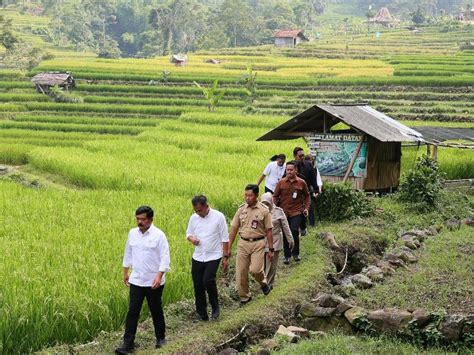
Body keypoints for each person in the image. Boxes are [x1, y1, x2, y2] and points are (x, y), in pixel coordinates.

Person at [116, 206, 170, 354]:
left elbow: (165, 257)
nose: (140, 222)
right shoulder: (132, 233)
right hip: (137, 279)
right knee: (133, 311)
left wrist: (159, 276)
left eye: (143, 219)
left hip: (153, 281)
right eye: (138, 219)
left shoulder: (159, 235)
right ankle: (128, 344)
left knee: (155, 310)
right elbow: (128, 252)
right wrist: (126, 271)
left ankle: (161, 339)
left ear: (150, 219)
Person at [228, 184, 274, 305]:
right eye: (246, 195)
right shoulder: (241, 209)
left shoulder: (264, 210)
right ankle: (245, 297)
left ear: (256, 196)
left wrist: (271, 249)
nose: (247, 198)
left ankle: (263, 283)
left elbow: (269, 230)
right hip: (243, 243)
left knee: (255, 270)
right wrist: (228, 248)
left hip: (258, 243)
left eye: (250, 195)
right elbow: (233, 229)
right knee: (241, 272)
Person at [186, 195, 229, 321]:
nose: (198, 213)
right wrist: (192, 239)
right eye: (195, 210)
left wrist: (225, 257)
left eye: (200, 210)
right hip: (198, 255)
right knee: (198, 284)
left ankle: (215, 308)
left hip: (214, 255)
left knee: (208, 280)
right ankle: (202, 313)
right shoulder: (194, 218)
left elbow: (225, 238)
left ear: (206, 206)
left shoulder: (218, 217)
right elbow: (188, 233)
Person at [273, 161, 310, 264]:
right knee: (285, 232)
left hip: (296, 211)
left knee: (294, 230)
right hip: (283, 212)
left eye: (291, 170)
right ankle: (287, 256)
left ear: (295, 170)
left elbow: (307, 196)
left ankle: (296, 253)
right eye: (287, 170)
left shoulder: (301, 182)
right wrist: (274, 207)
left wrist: (306, 208)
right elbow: (275, 196)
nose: (289, 172)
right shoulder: (281, 182)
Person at [260, 192, 294, 287]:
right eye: (263, 203)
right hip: (262, 241)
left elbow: (285, 226)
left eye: (267, 203)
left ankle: (268, 283)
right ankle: (263, 281)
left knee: (271, 264)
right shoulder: (259, 211)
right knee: (262, 264)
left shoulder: (278, 211)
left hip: (275, 241)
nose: (266, 205)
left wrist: (290, 239)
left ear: (271, 202)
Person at [293, 147, 318, 234]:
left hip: (306, 191)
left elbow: (313, 178)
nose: (302, 157)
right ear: (295, 156)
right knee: (296, 210)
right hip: (294, 192)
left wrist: (316, 189)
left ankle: (308, 226)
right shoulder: (291, 166)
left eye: (303, 155)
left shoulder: (308, 165)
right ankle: (297, 227)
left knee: (308, 208)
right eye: (300, 156)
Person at [304, 154, 323, 226]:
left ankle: (312, 224)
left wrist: (318, 190)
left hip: (311, 190)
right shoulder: (302, 168)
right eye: (308, 161)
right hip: (303, 189)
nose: (309, 162)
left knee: (310, 206)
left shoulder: (315, 169)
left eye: (311, 161)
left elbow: (318, 180)